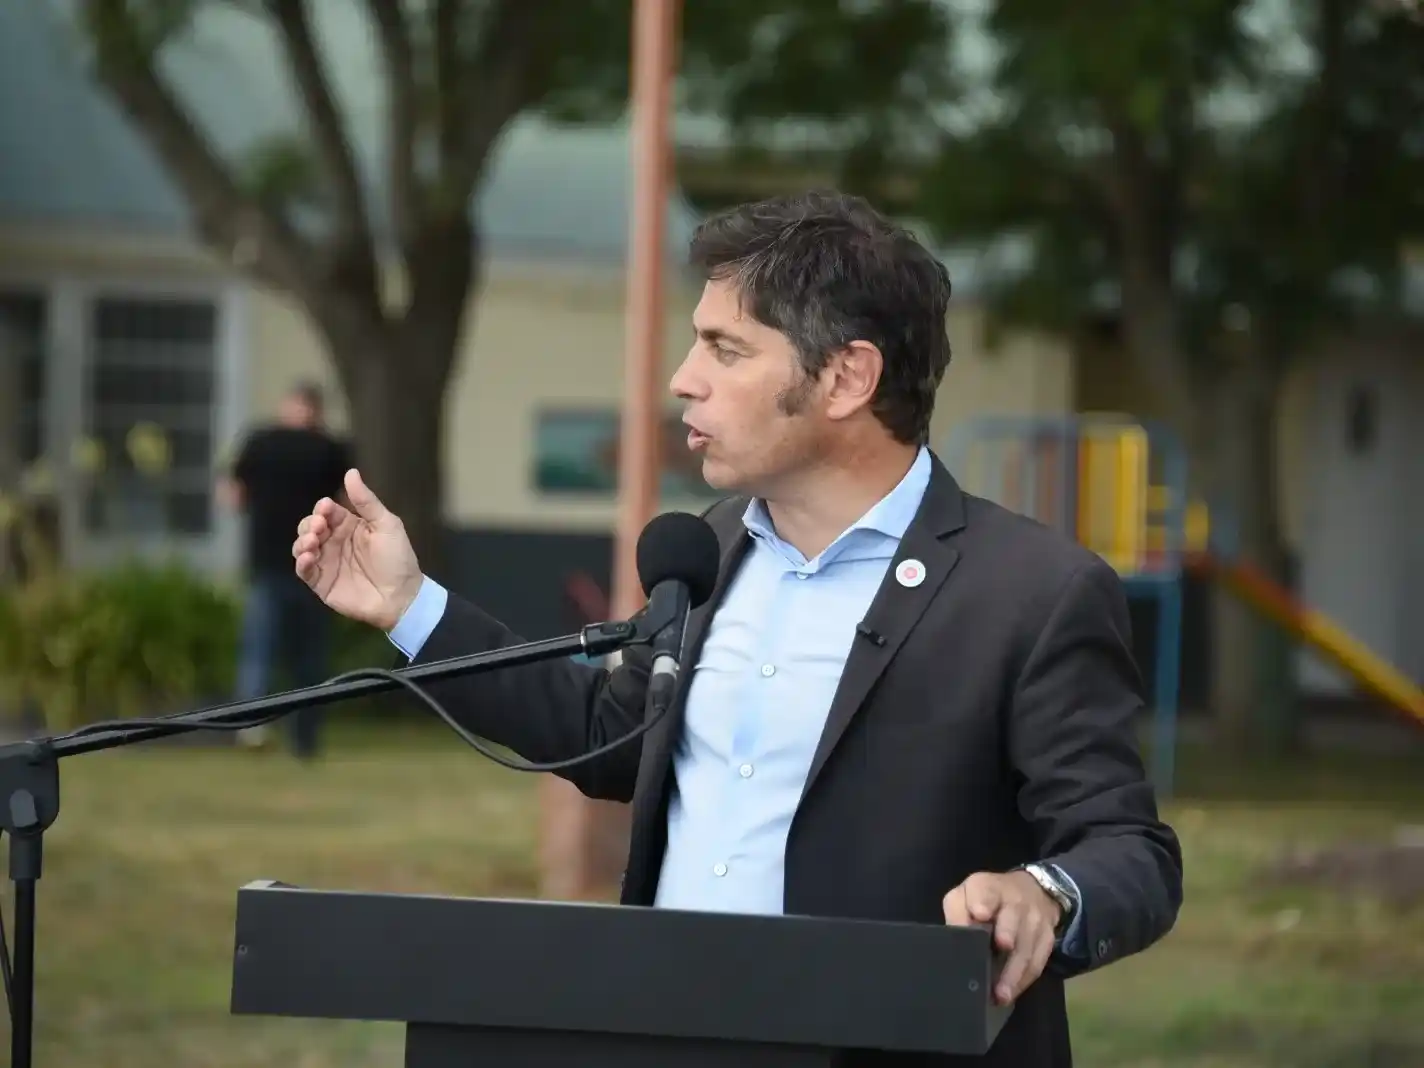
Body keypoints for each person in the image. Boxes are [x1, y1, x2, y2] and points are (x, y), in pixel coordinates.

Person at [292, 191, 1183, 1065]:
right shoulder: (712, 548)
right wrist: (411, 607)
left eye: (726, 349)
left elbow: (1128, 849)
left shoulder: (1032, 591)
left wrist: (1044, 892)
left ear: (847, 377)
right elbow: (610, 736)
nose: (685, 378)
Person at [222, 380, 352, 759]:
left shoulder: (262, 443)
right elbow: (346, 504)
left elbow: (232, 494)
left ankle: (255, 725)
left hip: (277, 564)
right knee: (305, 657)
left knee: (263, 649)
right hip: (311, 568)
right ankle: (301, 735)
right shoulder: (328, 449)